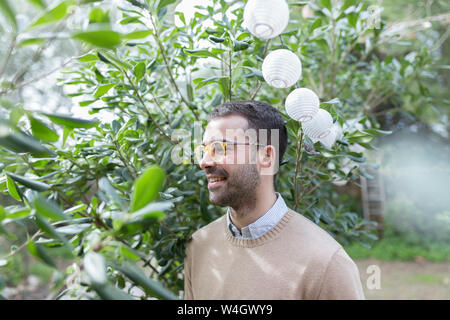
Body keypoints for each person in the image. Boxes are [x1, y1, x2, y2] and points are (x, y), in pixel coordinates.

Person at [184, 100, 365, 300]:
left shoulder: (327, 264)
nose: (204, 162)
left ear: (267, 156)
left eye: (220, 148)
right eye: (204, 150)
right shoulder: (199, 246)